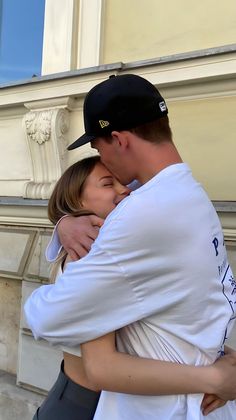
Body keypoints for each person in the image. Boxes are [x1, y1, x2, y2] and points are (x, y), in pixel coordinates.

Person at [25, 74, 236, 419]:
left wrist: (33, 302)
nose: (121, 184)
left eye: (99, 149)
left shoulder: (142, 213)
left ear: (119, 140)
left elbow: (51, 320)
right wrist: (65, 221)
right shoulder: (190, 196)